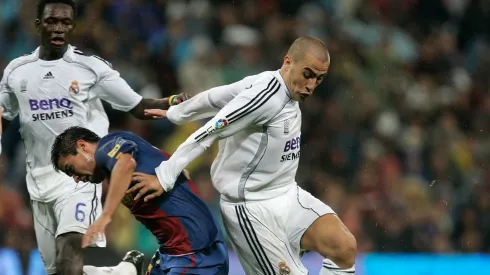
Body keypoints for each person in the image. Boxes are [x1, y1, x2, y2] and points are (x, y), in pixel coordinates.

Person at [130, 36, 357, 275]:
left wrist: (177, 113)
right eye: (308, 74)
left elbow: (217, 96)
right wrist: (164, 176)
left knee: (344, 248)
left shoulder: (267, 82)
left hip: (286, 195)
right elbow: (209, 132)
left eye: (319, 79)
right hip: (250, 209)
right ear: (288, 61)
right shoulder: (266, 98)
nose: (311, 85)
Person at [0, 0, 186, 274]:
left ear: (73, 26)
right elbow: (3, 116)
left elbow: (137, 106)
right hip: (37, 182)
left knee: (68, 255)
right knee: (58, 271)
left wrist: (172, 101)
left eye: (66, 22)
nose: (59, 28)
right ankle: (122, 272)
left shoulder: (90, 68)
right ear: (39, 24)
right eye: (52, 21)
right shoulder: (17, 71)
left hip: (78, 179)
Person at [50, 126, 229, 275]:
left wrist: (105, 216)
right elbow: (169, 164)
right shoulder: (117, 167)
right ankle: (124, 271)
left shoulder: (108, 145)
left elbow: (126, 164)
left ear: (82, 146)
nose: (75, 178)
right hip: (171, 254)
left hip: (197, 254)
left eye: (70, 168)